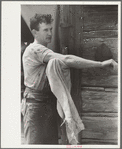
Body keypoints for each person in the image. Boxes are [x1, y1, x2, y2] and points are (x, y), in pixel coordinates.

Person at [22, 13, 117, 144]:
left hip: (46, 104)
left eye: (50, 29)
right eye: (45, 30)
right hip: (35, 106)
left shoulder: (43, 50)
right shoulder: (35, 49)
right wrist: (100, 64)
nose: (50, 33)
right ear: (34, 32)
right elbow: (67, 59)